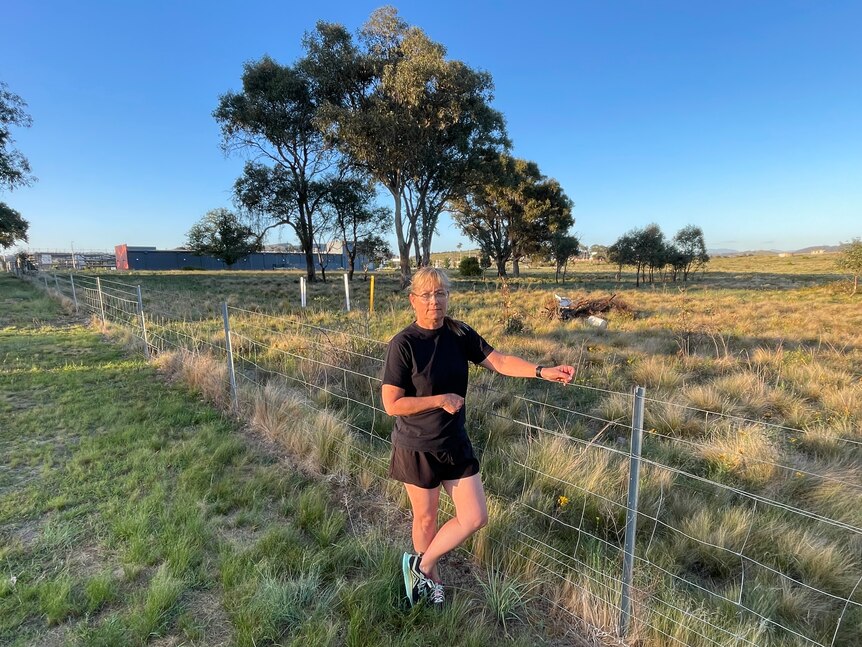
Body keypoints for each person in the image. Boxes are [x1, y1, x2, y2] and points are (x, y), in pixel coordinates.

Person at [381, 267, 575, 606]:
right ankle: (428, 583)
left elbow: (498, 361)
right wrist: (439, 399)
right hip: (417, 447)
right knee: (426, 518)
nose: (434, 301)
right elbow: (392, 404)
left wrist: (542, 371)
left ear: (448, 297)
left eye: (440, 293)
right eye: (426, 295)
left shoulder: (460, 333)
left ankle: (421, 565)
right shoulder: (404, 344)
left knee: (475, 517)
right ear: (413, 300)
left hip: (454, 442)